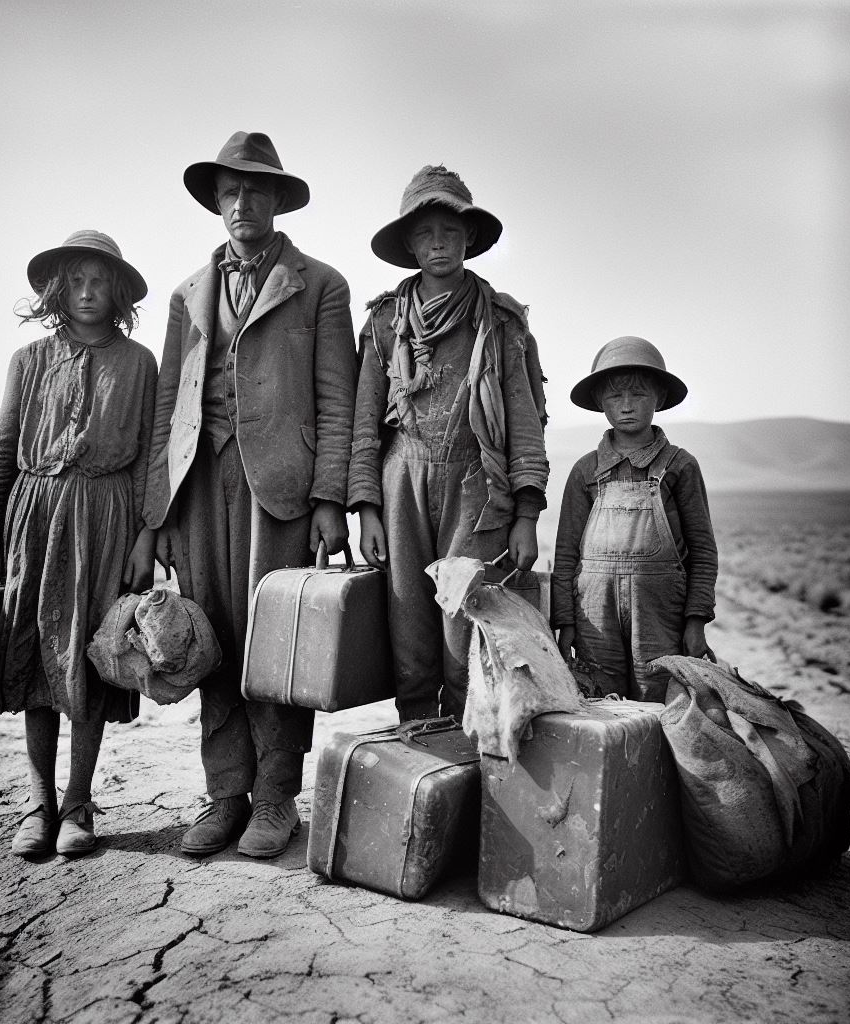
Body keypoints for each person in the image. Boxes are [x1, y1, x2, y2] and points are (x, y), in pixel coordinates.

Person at [144, 131, 356, 859]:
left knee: (280, 644)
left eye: (256, 190)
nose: (242, 202)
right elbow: (170, 401)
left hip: (283, 491)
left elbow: (337, 397)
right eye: (230, 191)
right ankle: (224, 797)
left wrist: (330, 498)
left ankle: (275, 801)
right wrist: (159, 514)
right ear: (216, 202)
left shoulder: (320, 284)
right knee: (215, 640)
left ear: (275, 200)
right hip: (202, 487)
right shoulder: (185, 295)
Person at [0, 230, 157, 858]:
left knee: (86, 658)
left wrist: (145, 536)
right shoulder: (28, 360)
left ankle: (79, 804)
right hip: (36, 518)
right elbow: (2, 448)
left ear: (117, 292)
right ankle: (37, 803)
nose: (86, 292)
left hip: (106, 520)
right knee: (36, 656)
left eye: (98, 281)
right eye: (75, 280)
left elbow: (149, 460)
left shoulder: (139, 364)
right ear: (57, 288)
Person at [348, 165, 549, 723]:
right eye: (426, 233)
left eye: (451, 232)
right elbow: (366, 423)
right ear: (409, 244)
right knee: (408, 635)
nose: (438, 244)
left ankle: (466, 762)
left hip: (476, 485)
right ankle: (417, 756)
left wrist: (527, 512)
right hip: (401, 485)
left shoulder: (500, 321)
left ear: (469, 240)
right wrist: (366, 508)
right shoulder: (385, 321)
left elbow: (526, 422)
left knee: (466, 637)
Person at [552, 336, 718, 702]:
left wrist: (696, 622)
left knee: (661, 704)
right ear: (600, 403)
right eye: (615, 397)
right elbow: (565, 555)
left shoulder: (679, 465)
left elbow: (703, 552)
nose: (627, 406)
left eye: (639, 395)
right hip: (594, 616)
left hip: (660, 615)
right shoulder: (585, 470)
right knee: (601, 709)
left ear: (659, 398)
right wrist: (565, 622)